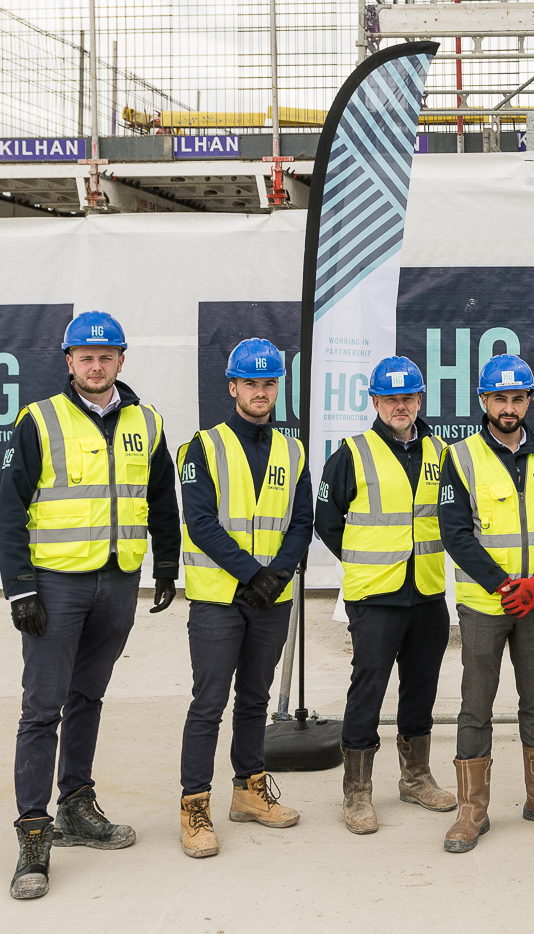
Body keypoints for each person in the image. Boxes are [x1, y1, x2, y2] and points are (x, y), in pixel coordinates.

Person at [0, 310, 180, 900]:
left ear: (121, 360)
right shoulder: (39, 420)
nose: (96, 366)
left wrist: (167, 567)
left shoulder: (147, 422)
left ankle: (76, 806)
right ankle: (33, 837)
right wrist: (21, 587)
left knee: (88, 698)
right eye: (85, 357)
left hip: (118, 582)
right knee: (42, 707)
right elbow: (7, 510)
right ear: (68, 362)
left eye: (106, 356)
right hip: (56, 587)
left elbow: (160, 499)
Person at [437, 354, 534, 853]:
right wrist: (506, 585)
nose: (509, 407)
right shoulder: (459, 457)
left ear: (529, 400)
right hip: (487, 605)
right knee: (476, 705)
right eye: (500, 398)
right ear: (484, 401)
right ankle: (471, 811)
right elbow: (455, 533)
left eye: (517, 397)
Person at [175, 338, 314, 858]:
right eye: (251, 383)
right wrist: (251, 574)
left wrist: (274, 576)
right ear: (233, 387)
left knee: (255, 700)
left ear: (278, 388)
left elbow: (303, 521)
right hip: (218, 597)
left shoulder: (293, 450)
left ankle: (249, 791)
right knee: (208, 704)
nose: (261, 392)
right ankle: (195, 805)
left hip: (270, 598)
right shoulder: (202, 447)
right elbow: (200, 522)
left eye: (269, 383)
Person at [314, 356, 457, 834]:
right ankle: (357, 792)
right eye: (391, 398)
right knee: (368, 690)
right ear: (375, 402)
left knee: (421, 687)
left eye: (408, 397)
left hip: (428, 592)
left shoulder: (443, 452)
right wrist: (362, 560)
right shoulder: (351, 454)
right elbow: (327, 521)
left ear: (420, 400)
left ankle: (415, 777)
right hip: (375, 596)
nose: (400, 406)